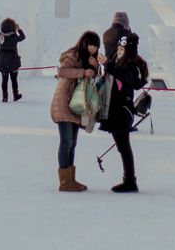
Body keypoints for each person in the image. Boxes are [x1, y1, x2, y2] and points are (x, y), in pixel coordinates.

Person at [49, 30, 101, 192]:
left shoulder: (89, 59)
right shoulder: (74, 55)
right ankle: (65, 182)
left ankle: (70, 179)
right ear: (84, 43)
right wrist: (83, 72)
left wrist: (95, 67)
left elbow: (94, 82)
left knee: (73, 143)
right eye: (90, 44)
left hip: (77, 105)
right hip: (65, 102)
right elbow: (62, 71)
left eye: (95, 46)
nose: (92, 48)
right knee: (66, 142)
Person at [100, 32, 149, 193]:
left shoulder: (131, 68)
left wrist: (107, 64)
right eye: (119, 48)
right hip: (114, 111)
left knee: (124, 146)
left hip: (122, 112)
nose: (119, 51)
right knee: (123, 146)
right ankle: (129, 179)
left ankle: (130, 180)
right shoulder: (117, 62)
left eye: (123, 49)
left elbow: (127, 78)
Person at [0, 17, 26, 102]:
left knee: (4, 80)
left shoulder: (0, 37)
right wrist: (18, 29)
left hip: (2, 61)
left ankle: (5, 97)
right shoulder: (14, 37)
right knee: (14, 80)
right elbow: (23, 37)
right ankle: (15, 95)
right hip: (12, 61)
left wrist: (4, 31)